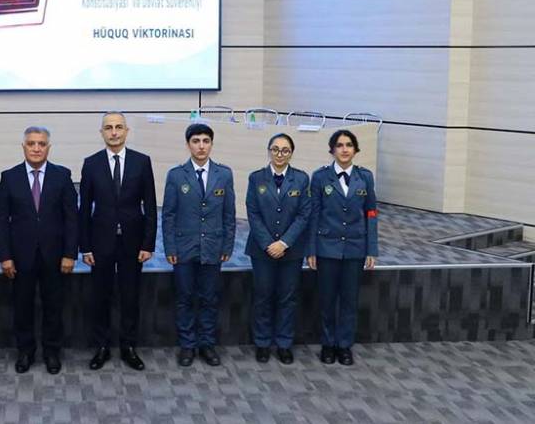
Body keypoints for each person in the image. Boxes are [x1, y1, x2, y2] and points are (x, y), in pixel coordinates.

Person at [0, 126, 78, 375]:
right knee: (22, 306)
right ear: (24, 147)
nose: (36, 148)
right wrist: (5, 256)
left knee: (54, 306)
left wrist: (70, 253)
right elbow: (1, 220)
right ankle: (25, 351)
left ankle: (52, 352)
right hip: (21, 256)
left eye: (41, 144)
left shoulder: (62, 176)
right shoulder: (9, 177)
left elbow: (71, 218)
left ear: (48, 148)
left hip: (55, 255)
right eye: (31, 143)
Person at [79, 111, 157, 371]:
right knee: (100, 297)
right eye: (108, 127)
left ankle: (128, 347)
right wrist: (85, 246)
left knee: (130, 297)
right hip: (100, 242)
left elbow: (150, 206)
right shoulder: (91, 163)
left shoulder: (142, 162)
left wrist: (148, 244)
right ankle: (101, 347)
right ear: (101, 132)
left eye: (118, 127)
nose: (114, 132)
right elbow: (84, 208)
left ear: (126, 131)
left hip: (133, 243)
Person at [161, 123, 235, 367]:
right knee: (184, 298)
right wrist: (170, 248)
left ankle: (207, 344)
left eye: (206, 141)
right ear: (188, 145)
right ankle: (187, 345)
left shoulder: (224, 174)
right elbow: (168, 215)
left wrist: (227, 246)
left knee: (209, 298)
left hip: (213, 247)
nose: (201, 146)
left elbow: (229, 214)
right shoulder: (176, 175)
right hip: (183, 248)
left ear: (211, 144)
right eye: (196, 141)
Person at [306, 129, 378, 366]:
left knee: (349, 300)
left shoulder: (365, 177)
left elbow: (371, 213)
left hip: (355, 247)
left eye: (349, 145)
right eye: (339, 145)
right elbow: (314, 214)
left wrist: (372, 248)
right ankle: (328, 344)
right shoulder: (320, 177)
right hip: (327, 247)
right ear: (332, 150)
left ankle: (344, 345)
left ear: (355, 150)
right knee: (327, 299)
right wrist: (311, 249)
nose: (344, 149)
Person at [244, 133, 310, 365]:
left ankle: (284, 343)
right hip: (261, 250)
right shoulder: (256, 178)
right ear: (269, 151)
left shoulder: (301, 179)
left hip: (291, 250)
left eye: (285, 150)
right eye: (275, 149)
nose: (280, 154)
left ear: (291, 153)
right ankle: (262, 343)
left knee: (287, 297)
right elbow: (252, 213)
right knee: (263, 296)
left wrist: (284, 243)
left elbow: (304, 215)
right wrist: (268, 244)